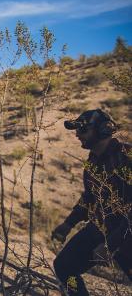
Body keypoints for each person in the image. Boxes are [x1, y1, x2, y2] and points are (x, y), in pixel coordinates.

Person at [51, 109, 131, 295]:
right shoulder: (92, 162)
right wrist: (68, 224)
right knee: (65, 267)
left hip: (127, 233)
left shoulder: (127, 157)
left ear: (103, 130)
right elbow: (89, 197)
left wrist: (112, 244)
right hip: (101, 228)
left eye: (83, 130)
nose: (77, 134)